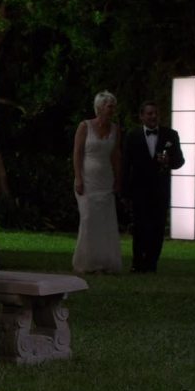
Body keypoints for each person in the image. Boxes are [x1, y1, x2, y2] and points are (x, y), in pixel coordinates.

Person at [122, 100, 185, 273]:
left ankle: (151, 262)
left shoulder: (170, 135)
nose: (153, 116)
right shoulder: (132, 135)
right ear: (142, 116)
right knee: (139, 227)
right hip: (139, 189)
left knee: (157, 227)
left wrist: (169, 161)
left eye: (156, 113)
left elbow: (180, 161)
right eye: (149, 113)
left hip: (160, 189)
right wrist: (125, 191)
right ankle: (137, 262)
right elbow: (126, 164)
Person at [72, 91, 122, 274]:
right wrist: (78, 177)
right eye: (109, 107)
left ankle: (105, 262)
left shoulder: (115, 129)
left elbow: (116, 155)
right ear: (100, 108)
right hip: (87, 180)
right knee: (88, 219)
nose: (112, 110)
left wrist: (118, 178)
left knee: (105, 221)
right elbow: (77, 153)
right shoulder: (85, 126)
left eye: (113, 107)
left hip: (105, 180)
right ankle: (86, 262)